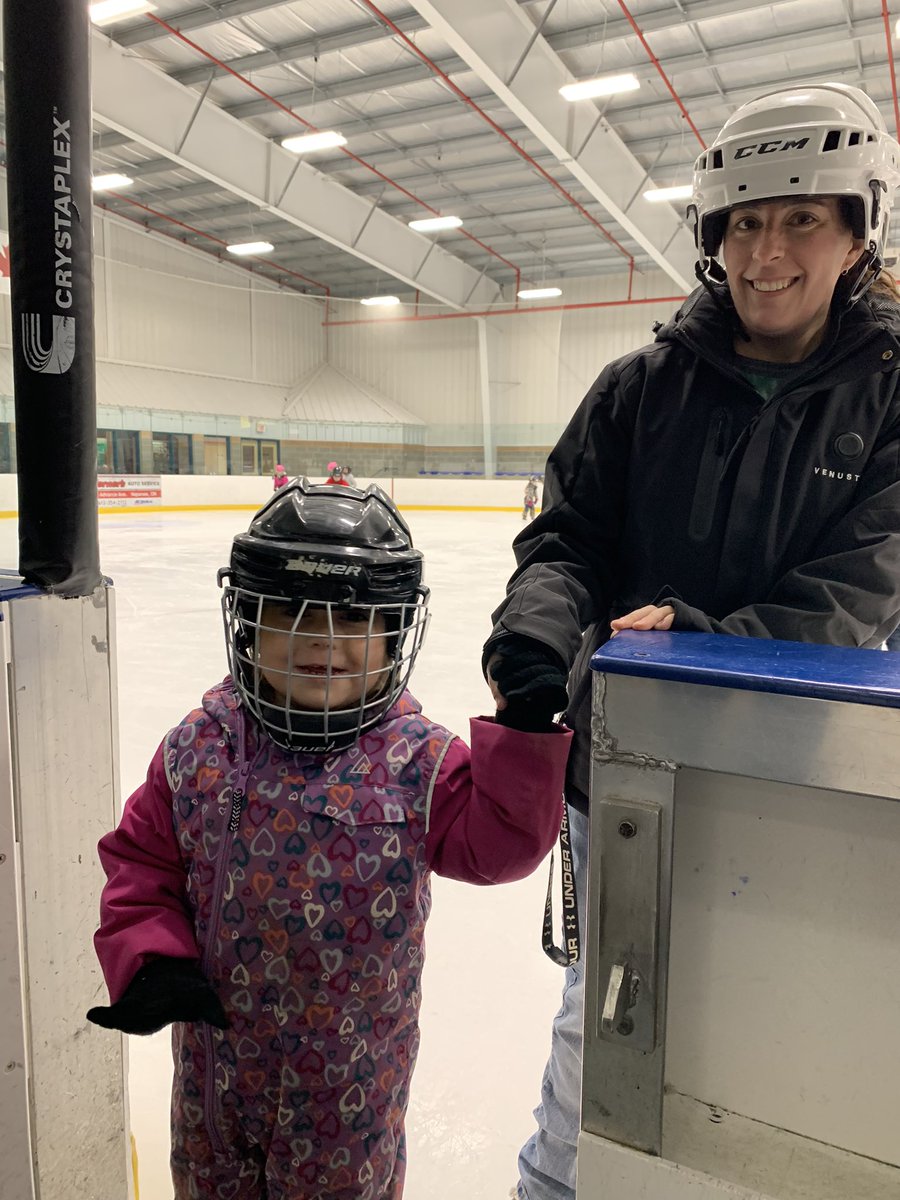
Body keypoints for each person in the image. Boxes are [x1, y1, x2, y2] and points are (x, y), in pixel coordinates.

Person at [484, 82, 900, 1200]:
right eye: (744, 223)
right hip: (623, 774)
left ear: (859, 230)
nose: (766, 254)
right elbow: (566, 540)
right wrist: (537, 639)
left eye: (801, 218)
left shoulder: (893, 400)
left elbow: (862, 589)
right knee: (600, 1025)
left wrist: (700, 649)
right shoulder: (639, 388)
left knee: (765, 1036)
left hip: (796, 788)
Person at [87, 479, 571, 1200]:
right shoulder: (198, 748)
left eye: (353, 617)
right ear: (247, 624)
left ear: (394, 635)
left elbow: (500, 846)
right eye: (291, 612)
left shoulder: (418, 760)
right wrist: (151, 958)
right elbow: (140, 863)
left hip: (348, 1098)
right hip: (216, 1078)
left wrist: (525, 729)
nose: (323, 639)